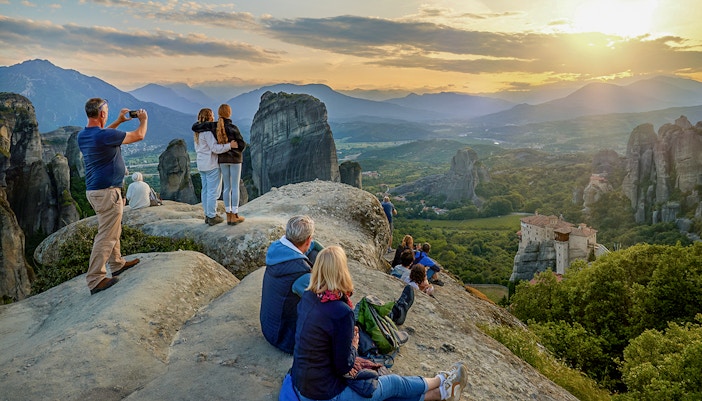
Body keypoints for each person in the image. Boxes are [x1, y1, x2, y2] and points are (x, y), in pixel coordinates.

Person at [291, 245, 467, 401]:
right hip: (324, 393)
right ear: (342, 271)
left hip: (303, 383)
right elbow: (344, 366)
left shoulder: (308, 297)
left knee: (387, 395)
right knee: (393, 383)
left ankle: (440, 394)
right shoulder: (341, 312)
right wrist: (353, 344)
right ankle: (442, 381)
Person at [77, 98, 146, 295]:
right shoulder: (103, 136)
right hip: (107, 192)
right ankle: (95, 279)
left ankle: (117, 263)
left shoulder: (84, 135)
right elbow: (139, 135)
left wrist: (119, 121)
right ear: (102, 114)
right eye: (106, 111)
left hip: (95, 191)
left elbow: (104, 133)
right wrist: (143, 119)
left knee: (111, 228)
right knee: (106, 235)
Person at [260, 215, 323, 354]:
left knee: (314, 254)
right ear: (308, 240)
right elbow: (323, 300)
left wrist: (323, 251)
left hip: (269, 326)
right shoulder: (300, 272)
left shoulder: (277, 249)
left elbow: (312, 247)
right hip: (285, 338)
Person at [192, 104, 246, 225]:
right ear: (209, 117)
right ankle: (212, 216)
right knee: (213, 192)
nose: (213, 117)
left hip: (201, 165)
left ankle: (207, 215)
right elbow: (215, 148)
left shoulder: (198, 132)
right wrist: (229, 146)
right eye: (212, 115)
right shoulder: (207, 133)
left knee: (205, 191)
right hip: (211, 165)